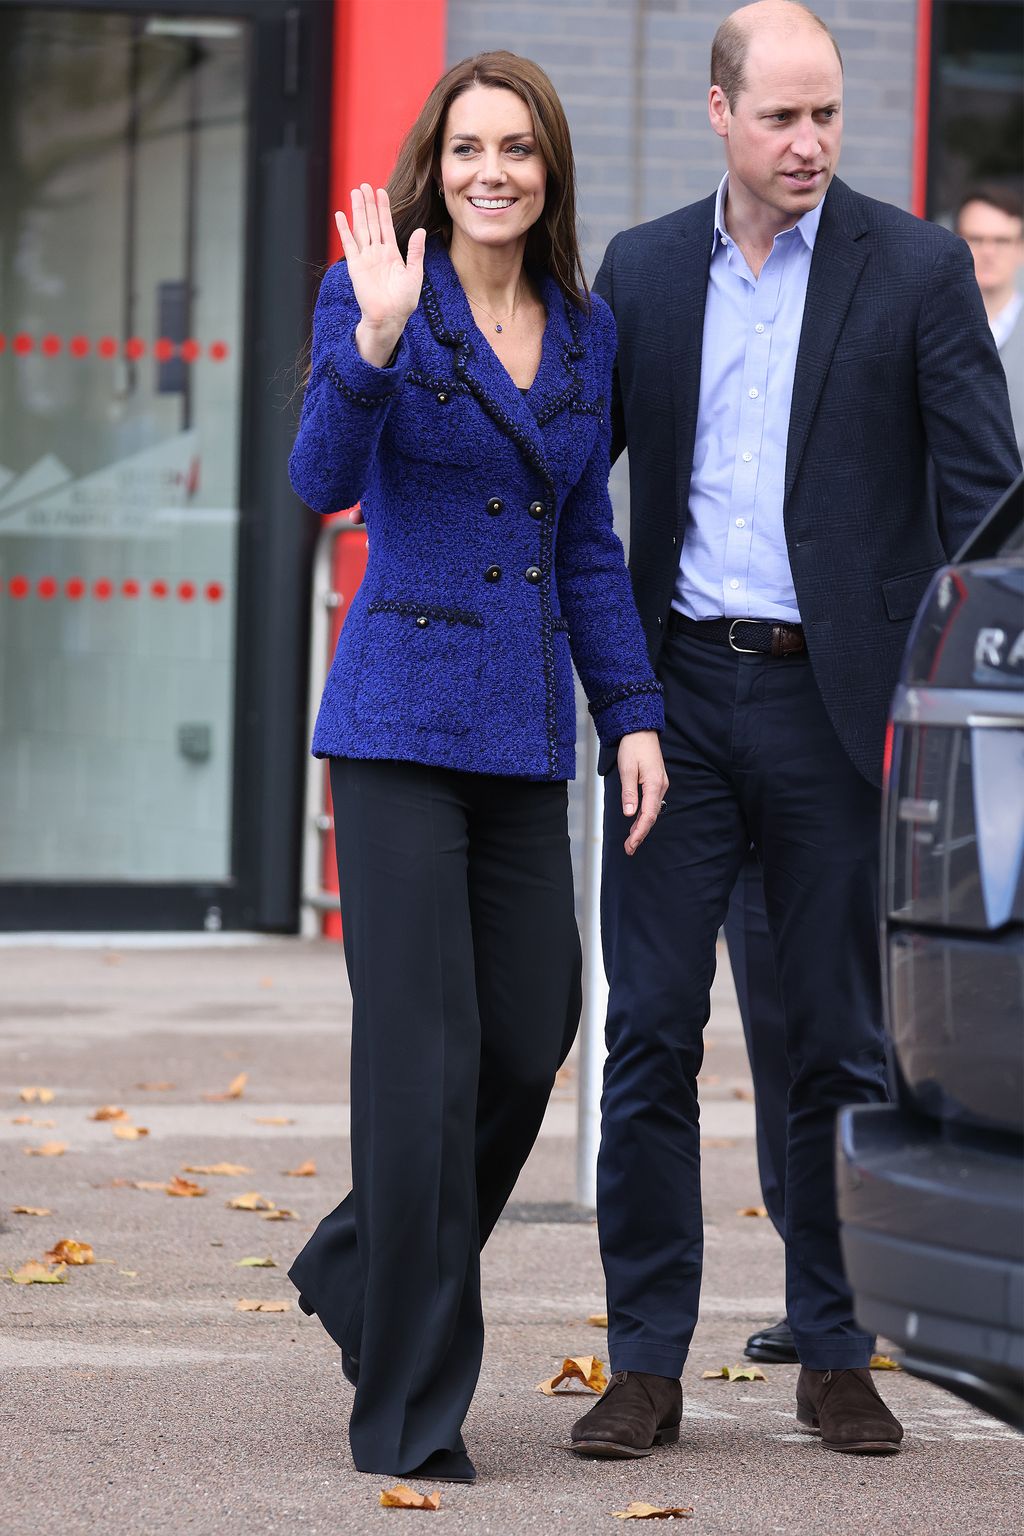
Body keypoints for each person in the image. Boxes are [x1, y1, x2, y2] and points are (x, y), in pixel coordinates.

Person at [570, 0, 1021, 1463]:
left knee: (836, 1043)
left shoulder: (918, 268)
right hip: (675, 710)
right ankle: (644, 1363)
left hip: (844, 719)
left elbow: (986, 506)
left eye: (826, 113)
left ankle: (836, 1350)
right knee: (649, 1033)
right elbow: (575, 491)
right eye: (780, 115)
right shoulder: (643, 271)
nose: (810, 140)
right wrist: (609, 697)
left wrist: (959, 707)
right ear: (719, 113)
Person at [286, 51, 667, 1485]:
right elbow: (319, 477)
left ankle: (358, 1267)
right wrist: (376, 342)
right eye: (466, 149)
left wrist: (632, 711)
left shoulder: (586, 329)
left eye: (516, 147)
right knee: (421, 1061)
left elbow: (585, 542)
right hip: (396, 723)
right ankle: (409, 1405)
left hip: (520, 731)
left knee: (529, 1026)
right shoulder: (377, 292)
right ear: (433, 167)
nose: (491, 171)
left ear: (549, 168)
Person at [955, 185, 1024, 453]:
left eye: (1002, 241)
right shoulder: (927, 327)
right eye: (975, 239)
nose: (988, 252)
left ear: (1020, 248)